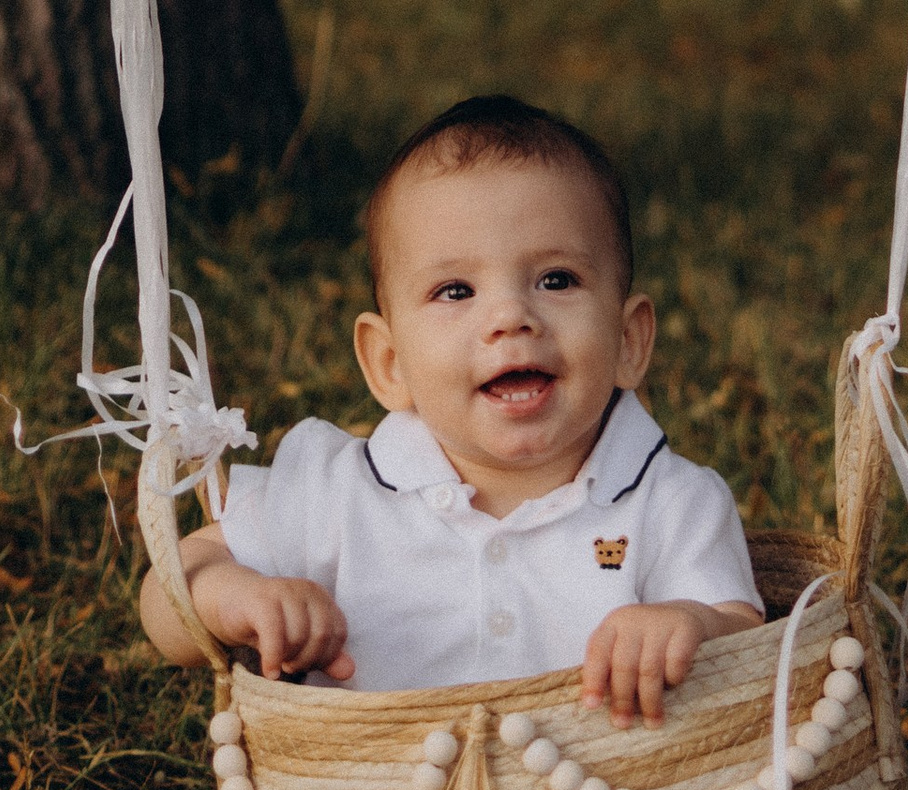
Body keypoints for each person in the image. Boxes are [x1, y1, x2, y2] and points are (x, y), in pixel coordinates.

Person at [139, 94, 761, 719]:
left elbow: (750, 643)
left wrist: (692, 624)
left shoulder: (672, 500)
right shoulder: (339, 494)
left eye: (556, 280)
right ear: (389, 364)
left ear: (629, 341)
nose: (511, 317)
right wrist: (234, 596)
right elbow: (170, 593)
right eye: (455, 290)